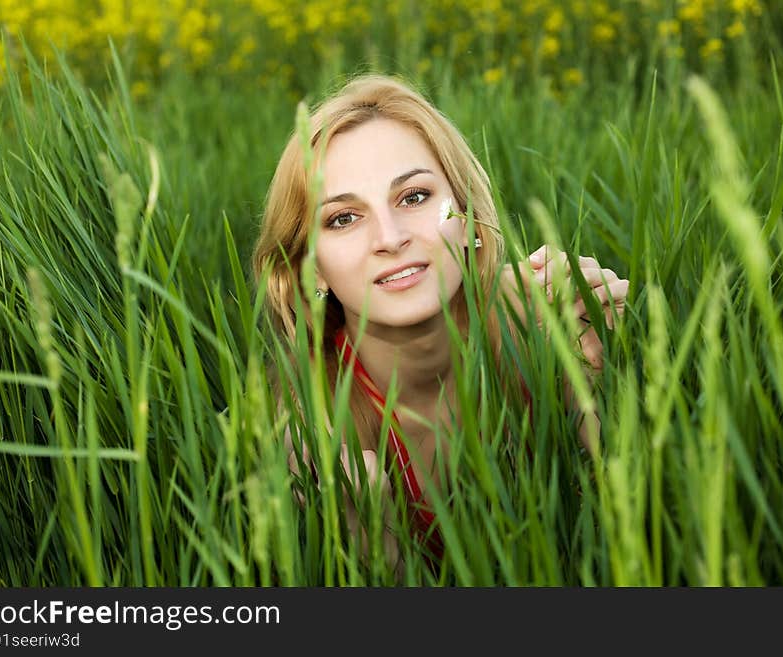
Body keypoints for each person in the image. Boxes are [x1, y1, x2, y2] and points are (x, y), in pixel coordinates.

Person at [251, 74, 629, 564]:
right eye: (343, 218)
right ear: (311, 267)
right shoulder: (307, 429)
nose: (389, 237)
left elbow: (624, 544)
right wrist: (374, 550)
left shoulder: (542, 323)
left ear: (469, 214)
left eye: (414, 197)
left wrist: (599, 395)